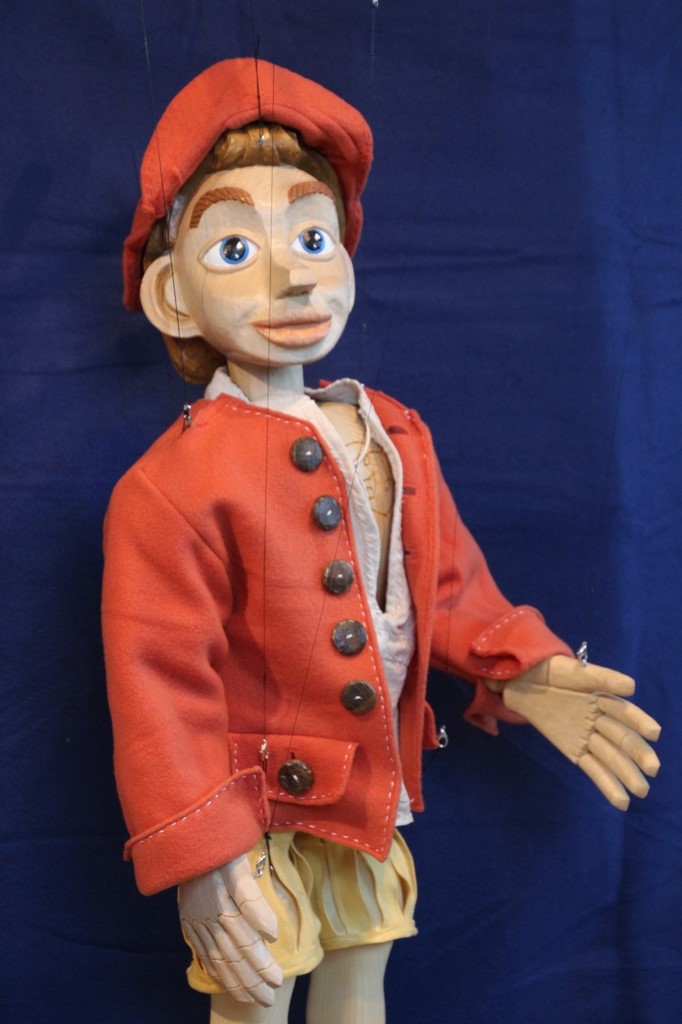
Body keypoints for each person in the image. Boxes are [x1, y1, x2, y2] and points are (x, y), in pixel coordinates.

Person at [102, 58, 661, 1024]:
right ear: (172, 297)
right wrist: (199, 847)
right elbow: (160, 682)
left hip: (365, 793)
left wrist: (521, 667)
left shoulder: (387, 430)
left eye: (314, 237)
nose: (292, 273)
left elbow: (441, 587)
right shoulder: (171, 481)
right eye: (235, 249)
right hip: (252, 812)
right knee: (255, 993)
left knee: (361, 986)